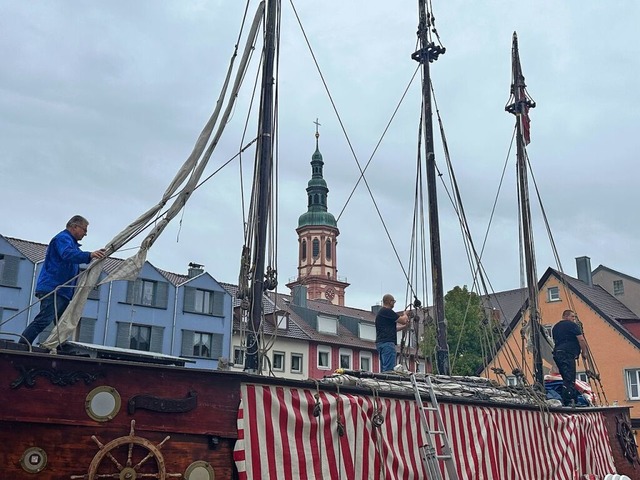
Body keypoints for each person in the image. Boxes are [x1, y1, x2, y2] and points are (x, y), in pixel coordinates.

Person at [19, 215, 106, 345]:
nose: (85, 234)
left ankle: (60, 347)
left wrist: (90, 256)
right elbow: (68, 254)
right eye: (84, 229)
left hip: (61, 291)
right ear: (75, 226)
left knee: (62, 324)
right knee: (45, 319)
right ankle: (22, 345)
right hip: (54, 288)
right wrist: (89, 255)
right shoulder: (63, 239)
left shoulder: (71, 244)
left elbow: (73, 255)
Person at [552, 309, 589, 406]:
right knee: (570, 378)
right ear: (566, 316)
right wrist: (584, 352)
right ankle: (570, 400)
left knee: (565, 377)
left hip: (558, 353)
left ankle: (567, 398)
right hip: (567, 353)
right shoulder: (572, 325)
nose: (574, 319)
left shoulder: (555, 327)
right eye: (572, 317)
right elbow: (581, 339)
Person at [375, 294, 409, 372]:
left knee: (385, 368)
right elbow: (403, 320)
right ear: (390, 302)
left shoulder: (381, 313)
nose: (394, 303)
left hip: (381, 343)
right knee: (389, 369)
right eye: (393, 301)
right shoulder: (387, 311)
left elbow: (393, 329)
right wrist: (405, 314)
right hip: (388, 343)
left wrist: (404, 327)